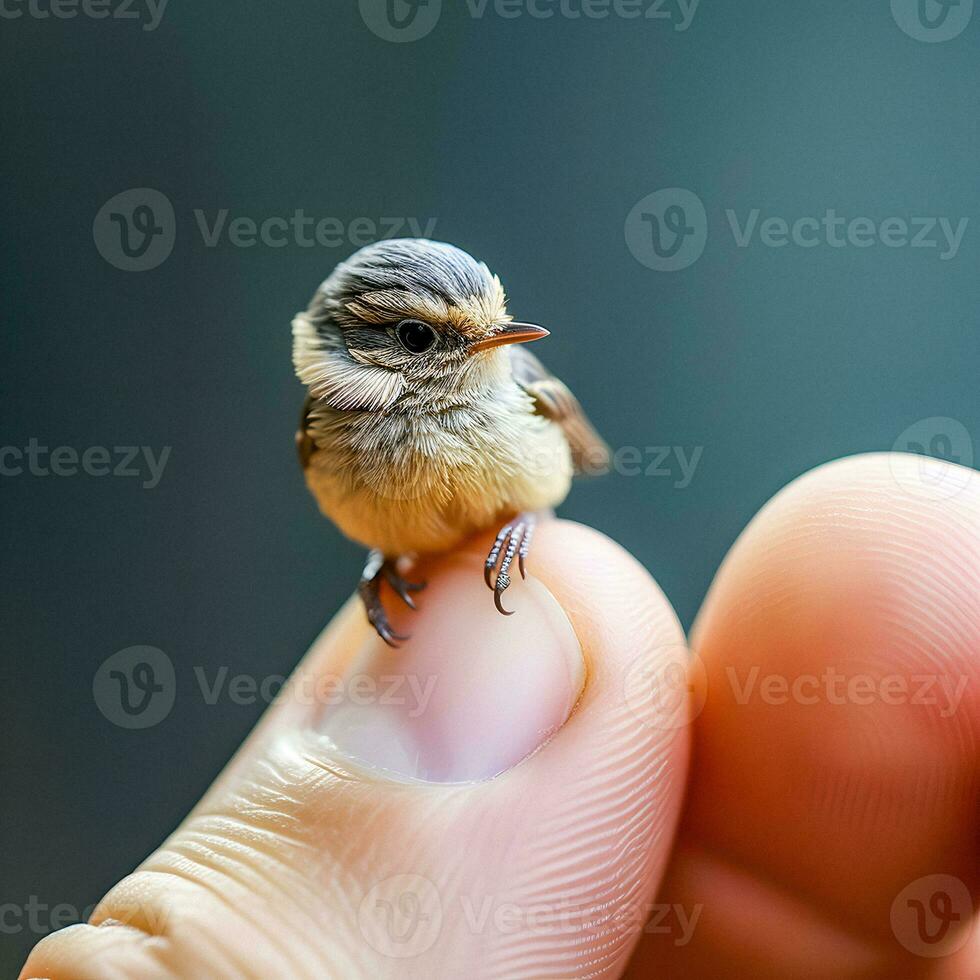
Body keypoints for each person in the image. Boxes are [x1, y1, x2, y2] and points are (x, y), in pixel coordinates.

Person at [20, 454, 979, 979]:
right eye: (429, 338)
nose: (496, 354)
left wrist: (514, 530)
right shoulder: (336, 425)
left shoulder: (492, 384)